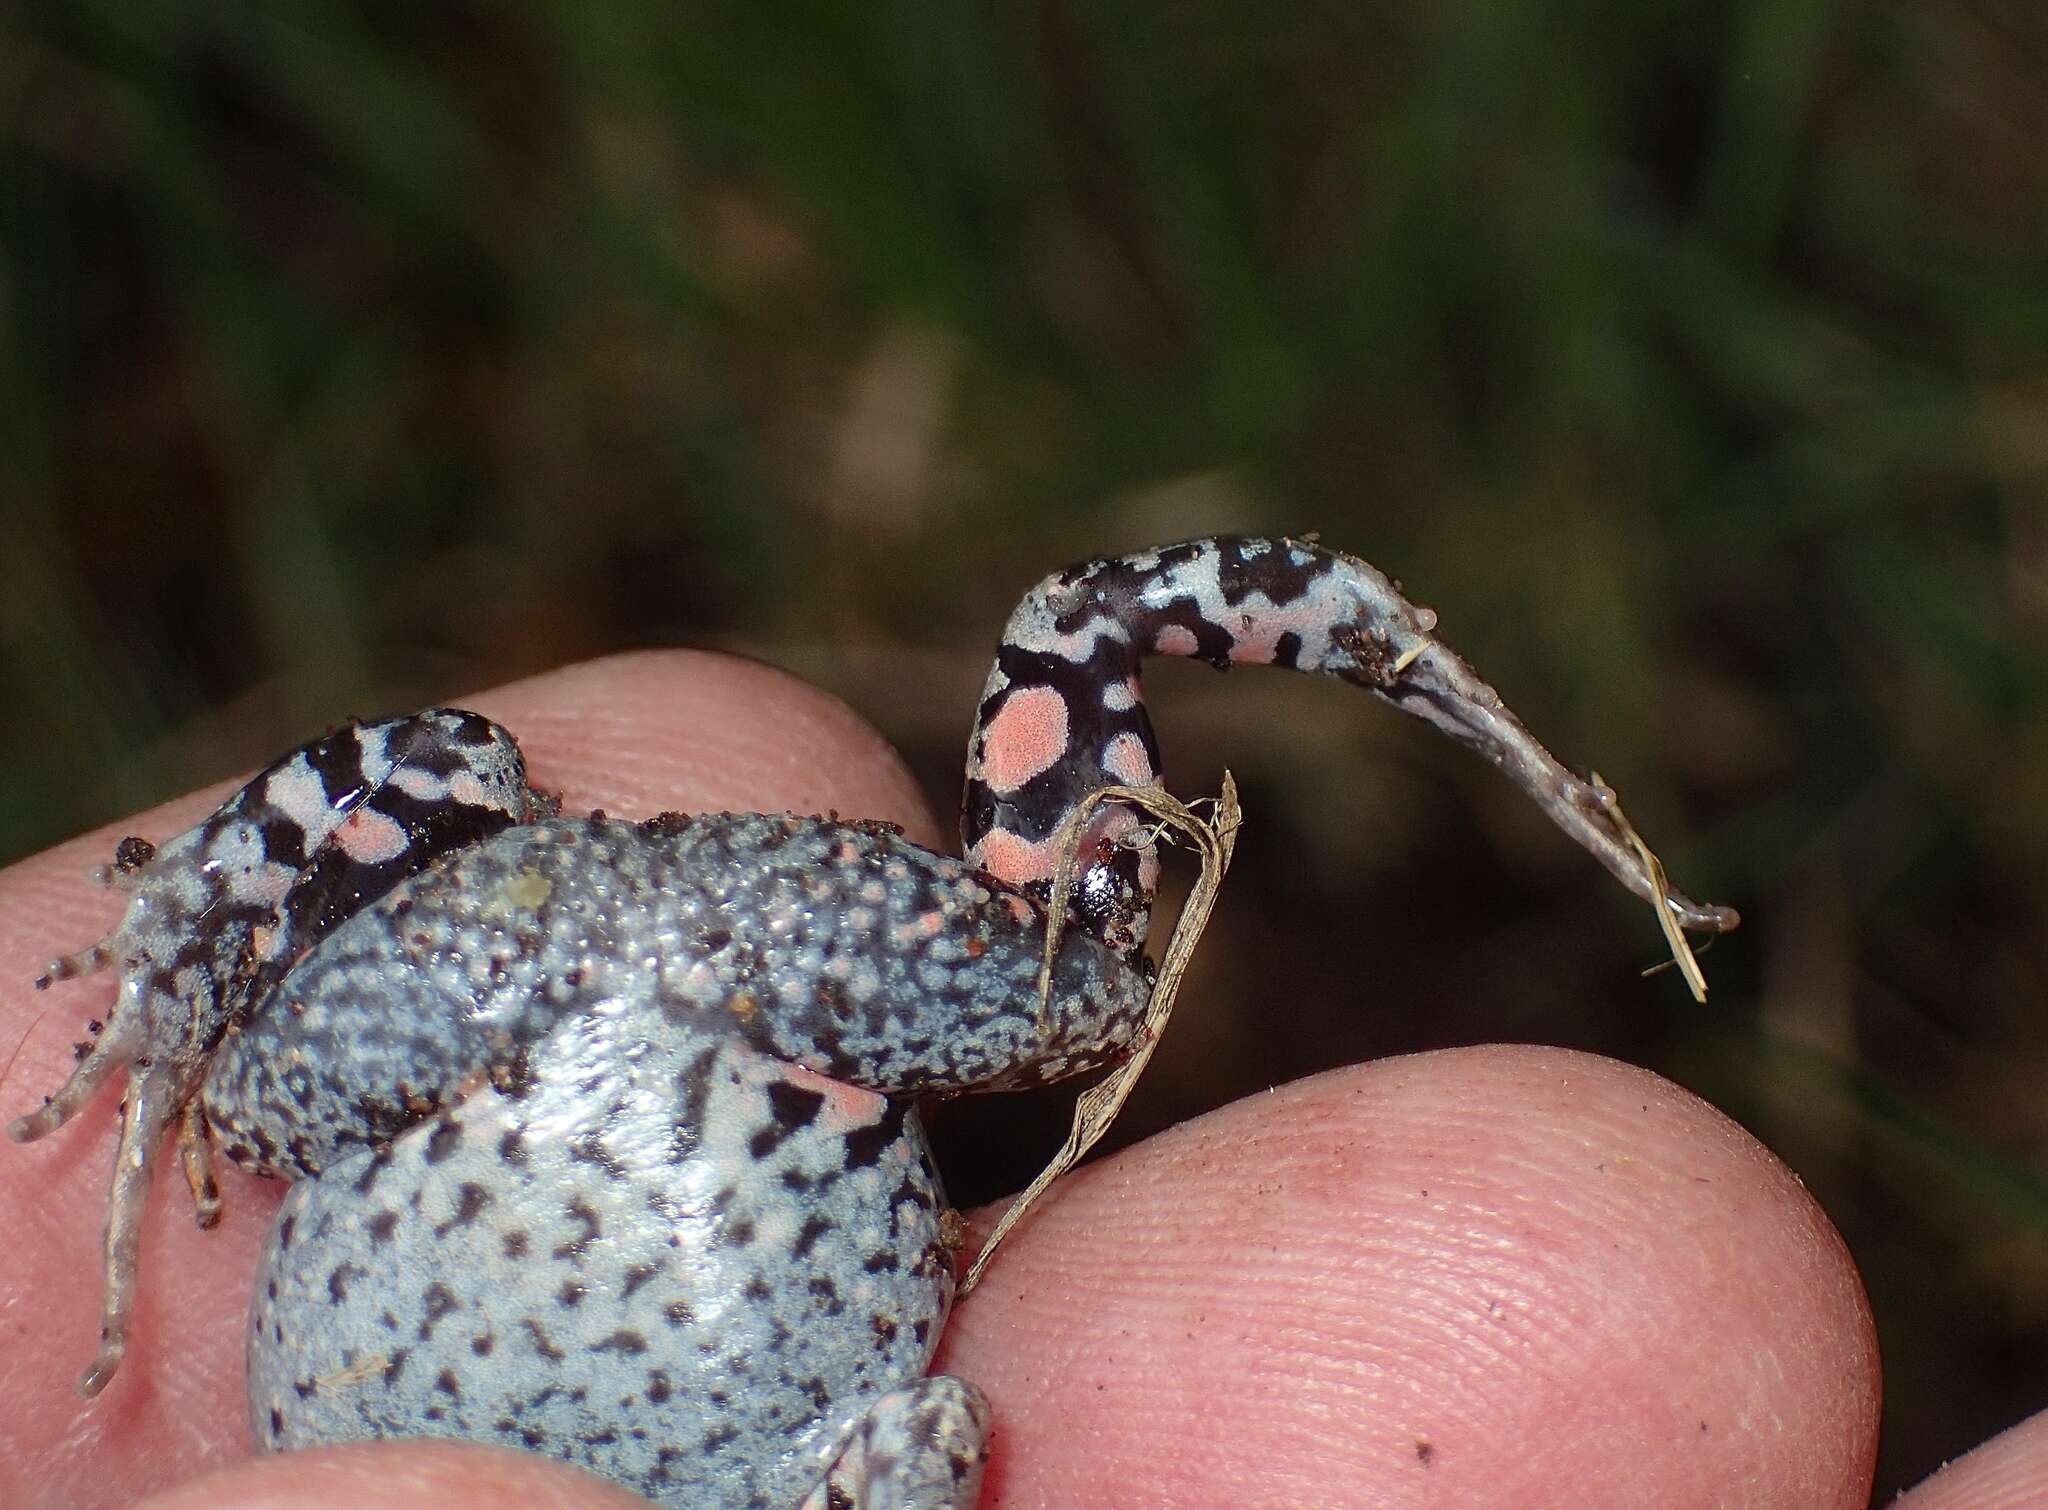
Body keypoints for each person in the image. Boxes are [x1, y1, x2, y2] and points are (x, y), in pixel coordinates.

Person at [0, 652, 2031, 1507]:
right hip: (567, 991)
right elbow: (923, 1425)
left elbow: (927, 1430)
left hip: (503, 991)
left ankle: (183, 945)